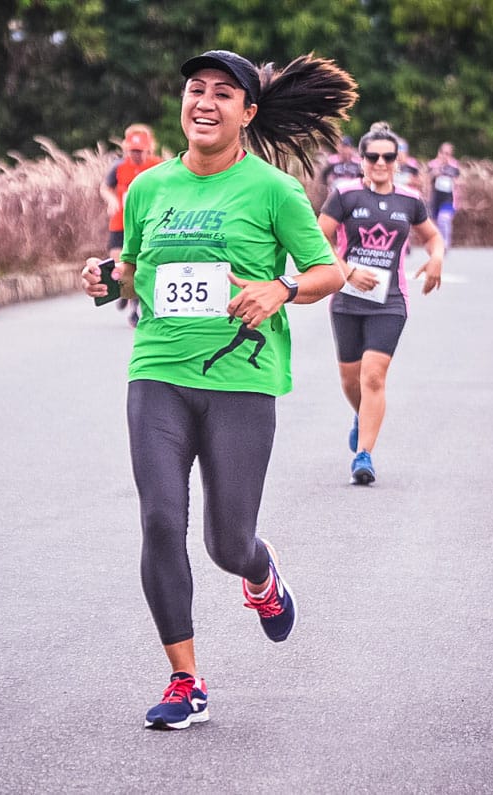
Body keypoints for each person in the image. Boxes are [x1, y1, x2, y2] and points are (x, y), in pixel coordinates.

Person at [80, 49, 356, 730]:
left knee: (227, 542)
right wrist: (102, 279)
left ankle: (260, 575)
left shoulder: (272, 190)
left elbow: (331, 272)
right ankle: (186, 679)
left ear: (247, 113)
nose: (204, 102)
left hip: (241, 379)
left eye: (222, 94)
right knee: (157, 518)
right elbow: (133, 265)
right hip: (159, 371)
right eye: (194, 89)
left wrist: (281, 287)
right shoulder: (148, 187)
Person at [318, 122, 444, 485]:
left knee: (373, 375)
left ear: (397, 160)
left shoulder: (409, 200)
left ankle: (364, 455)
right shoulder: (345, 195)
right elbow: (318, 236)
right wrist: (345, 271)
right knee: (350, 377)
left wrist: (436, 257)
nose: (380, 162)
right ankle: (362, 416)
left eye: (388, 157)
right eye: (373, 156)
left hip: (390, 301)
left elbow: (432, 237)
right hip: (347, 297)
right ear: (362, 159)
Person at [101, 124, 163, 327]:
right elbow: (105, 187)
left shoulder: (158, 166)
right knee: (118, 261)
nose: (136, 155)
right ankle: (123, 292)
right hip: (120, 222)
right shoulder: (118, 166)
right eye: (132, 151)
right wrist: (112, 199)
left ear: (149, 149)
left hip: (145, 225)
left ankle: (134, 310)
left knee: (137, 266)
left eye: (140, 151)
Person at [426, 141, 461, 250]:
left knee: (444, 219)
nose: (445, 156)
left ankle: (445, 244)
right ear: (439, 153)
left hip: (448, 199)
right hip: (435, 198)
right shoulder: (432, 164)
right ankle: (436, 243)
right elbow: (426, 179)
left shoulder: (454, 166)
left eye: (448, 154)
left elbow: (458, 180)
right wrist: (435, 173)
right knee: (434, 224)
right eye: (443, 153)